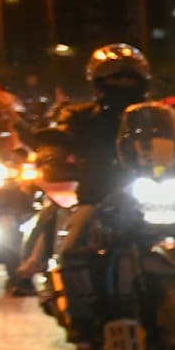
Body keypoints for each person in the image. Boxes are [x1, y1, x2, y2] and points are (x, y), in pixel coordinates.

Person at [16, 45, 155, 309]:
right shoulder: (79, 115)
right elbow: (59, 138)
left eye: (130, 77)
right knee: (71, 250)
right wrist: (51, 155)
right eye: (115, 77)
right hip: (99, 194)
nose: (124, 83)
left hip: (150, 193)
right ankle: (78, 312)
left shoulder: (155, 116)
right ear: (99, 81)